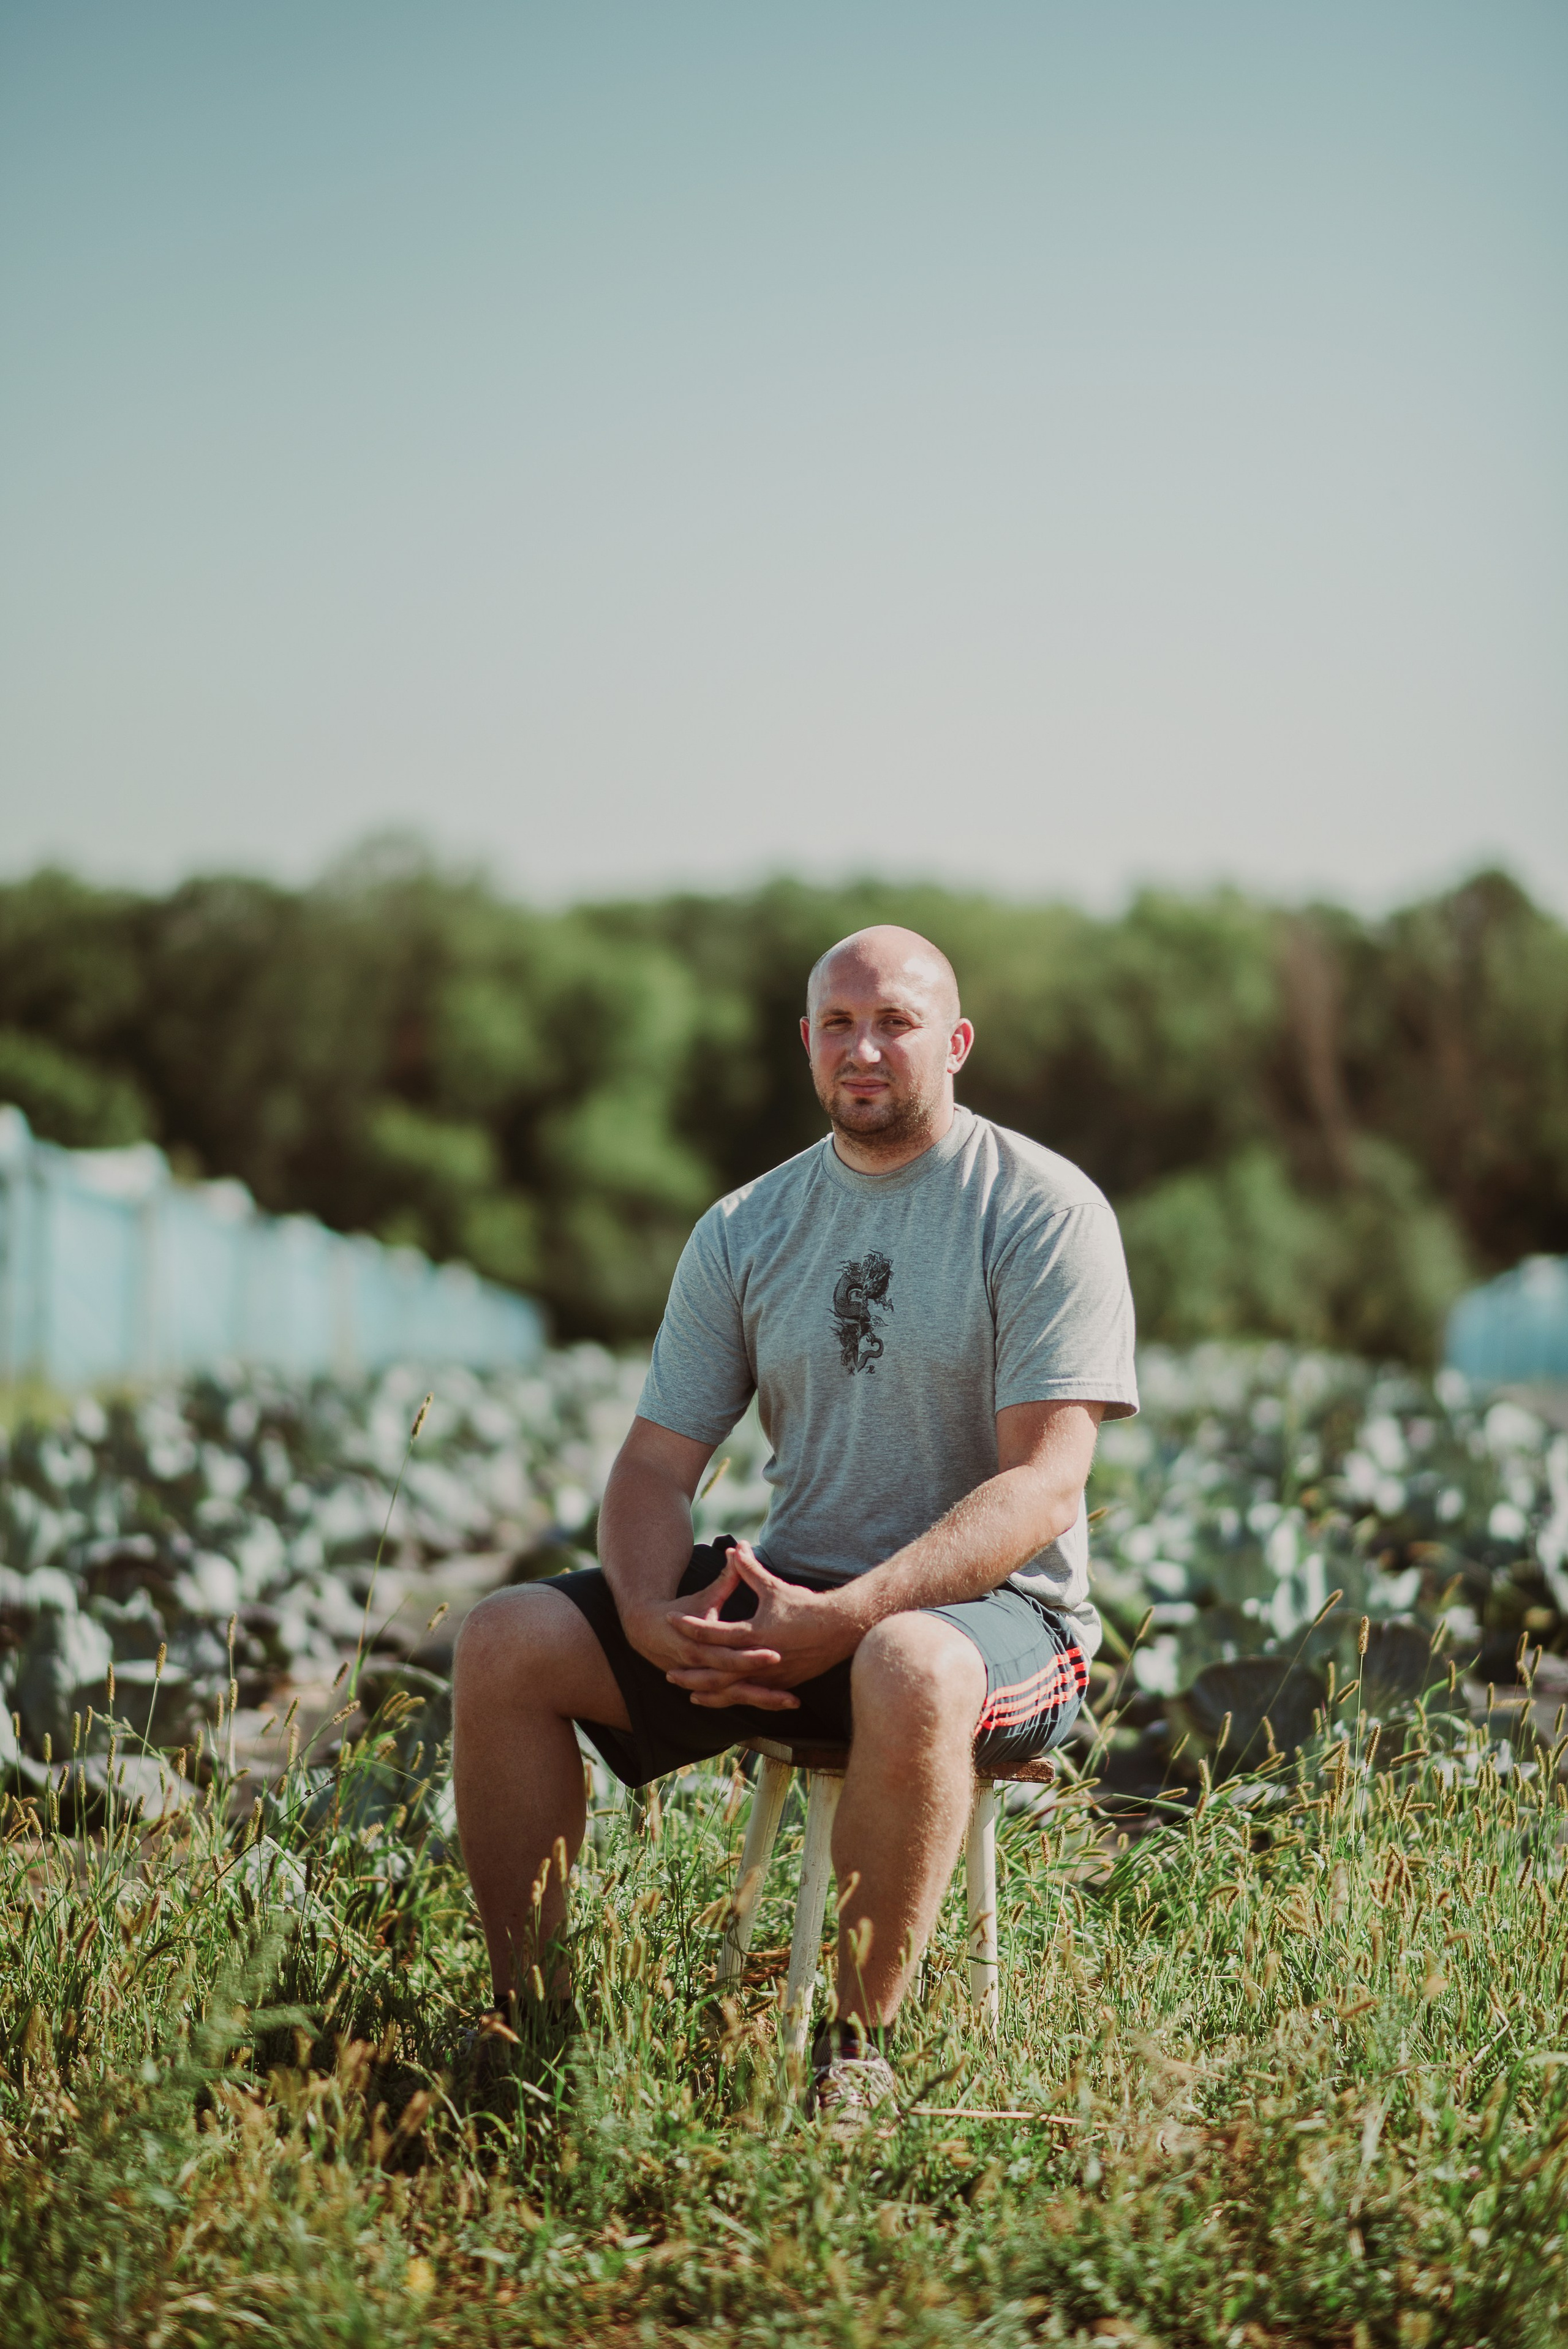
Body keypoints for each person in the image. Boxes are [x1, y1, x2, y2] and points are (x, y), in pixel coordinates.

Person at [453, 924, 1137, 2114]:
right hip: (793, 1609)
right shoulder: (745, 1226)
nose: (861, 1047)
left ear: (957, 1042)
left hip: (992, 1628)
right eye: (836, 1023)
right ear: (805, 1044)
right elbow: (653, 1469)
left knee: (909, 1661)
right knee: (503, 1639)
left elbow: (1044, 1485)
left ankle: (851, 2053)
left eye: (895, 1022)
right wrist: (648, 1609)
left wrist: (856, 1613)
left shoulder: (1040, 1208)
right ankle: (531, 2030)